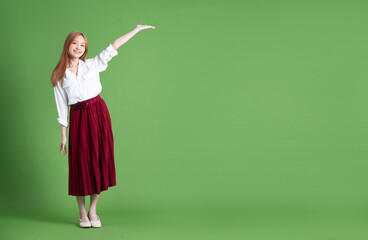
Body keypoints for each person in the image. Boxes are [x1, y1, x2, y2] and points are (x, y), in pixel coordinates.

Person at [50, 24, 156, 228]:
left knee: (99, 159)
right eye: (75, 43)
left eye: (82, 44)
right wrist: (63, 135)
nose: (79, 47)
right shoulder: (59, 75)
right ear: (68, 45)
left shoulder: (92, 65)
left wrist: (136, 30)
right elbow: (62, 108)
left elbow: (114, 46)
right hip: (78, 117)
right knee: (80, 164)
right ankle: (82, 213)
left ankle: (93, 211)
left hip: (98, 113)